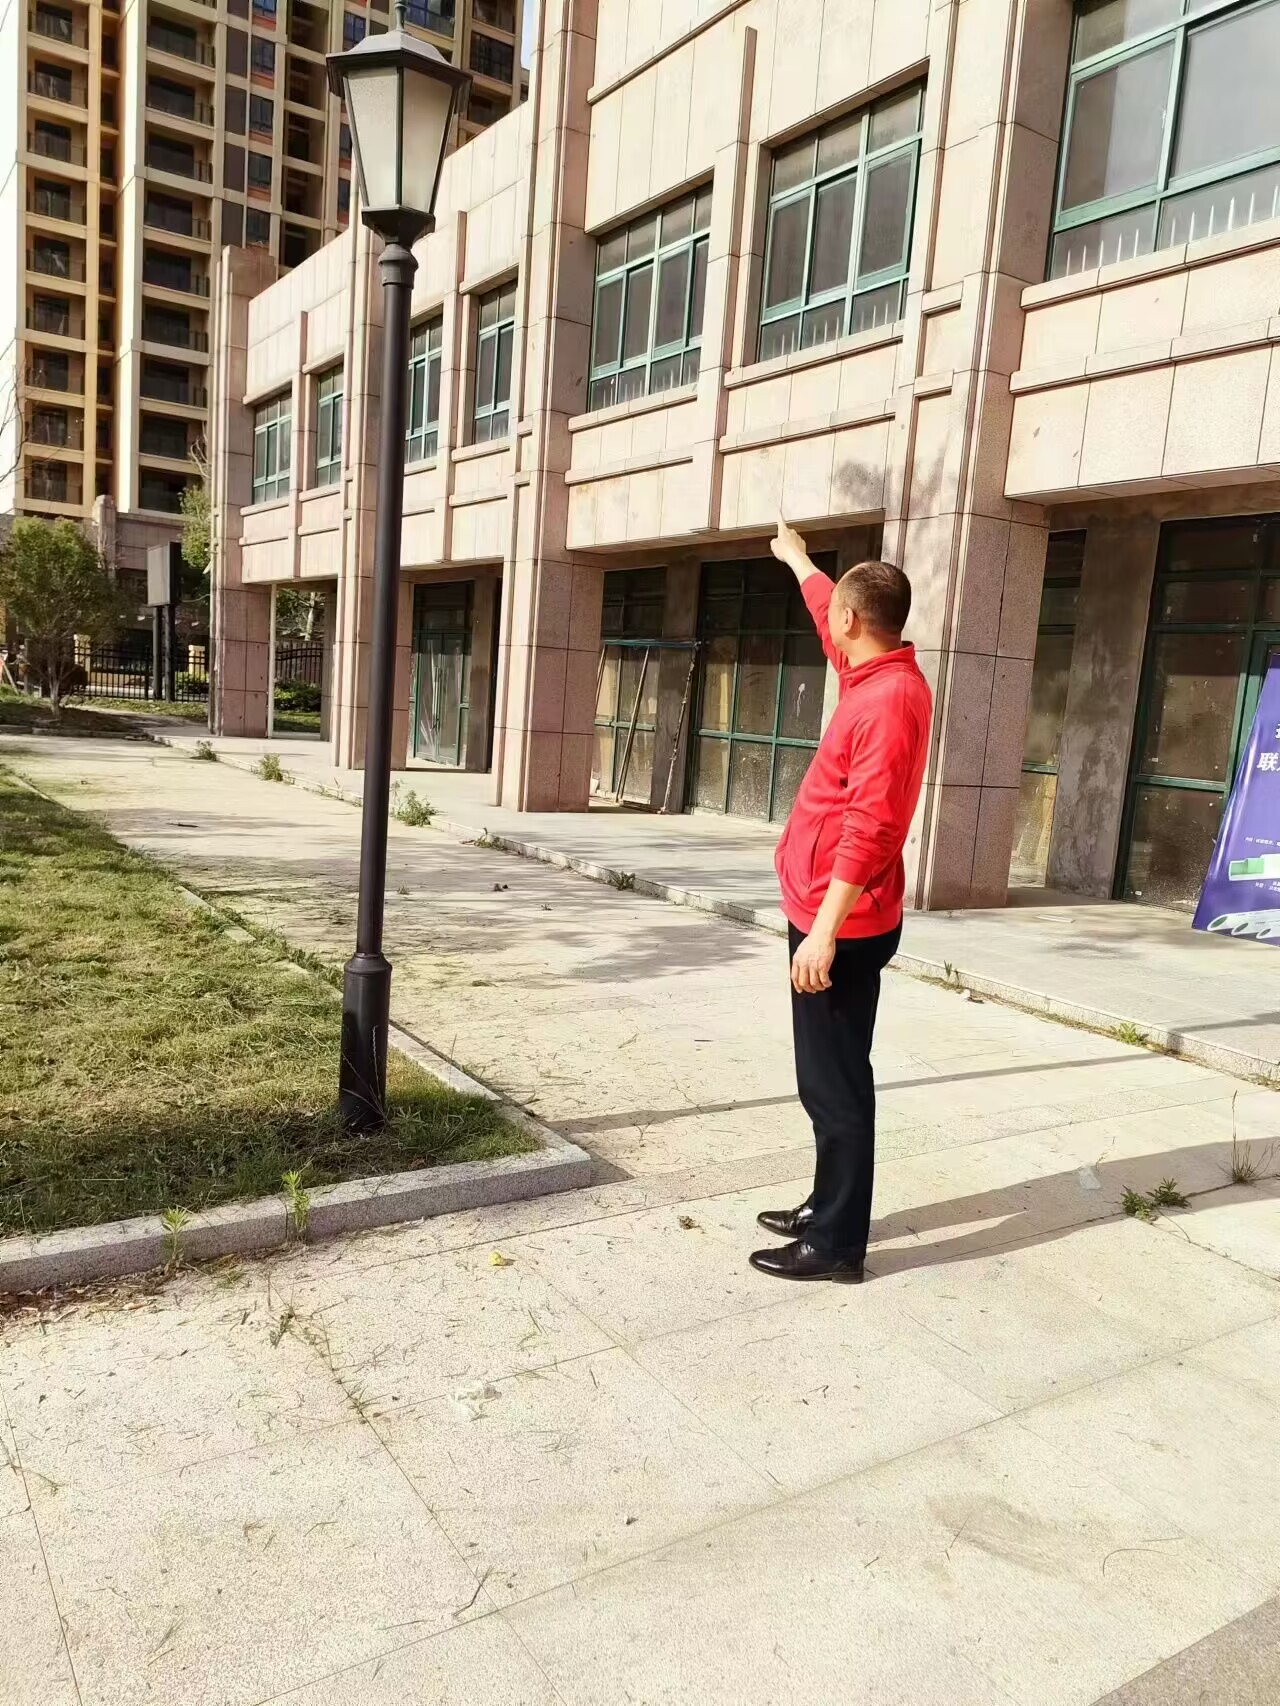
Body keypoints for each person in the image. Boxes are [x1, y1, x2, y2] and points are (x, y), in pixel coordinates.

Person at [751, 519, 933, 1282]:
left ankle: (834, 1246)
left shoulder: (888, 702)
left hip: (844, 922)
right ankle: (827, 1205)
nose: (829, 623)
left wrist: (823, 932)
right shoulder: (872, 671)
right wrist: (799, 561)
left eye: (836, 615)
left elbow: (872, 826)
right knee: (825, 1079)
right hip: (832, 912)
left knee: (835, 1085)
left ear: (853, 622)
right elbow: (831, 609)